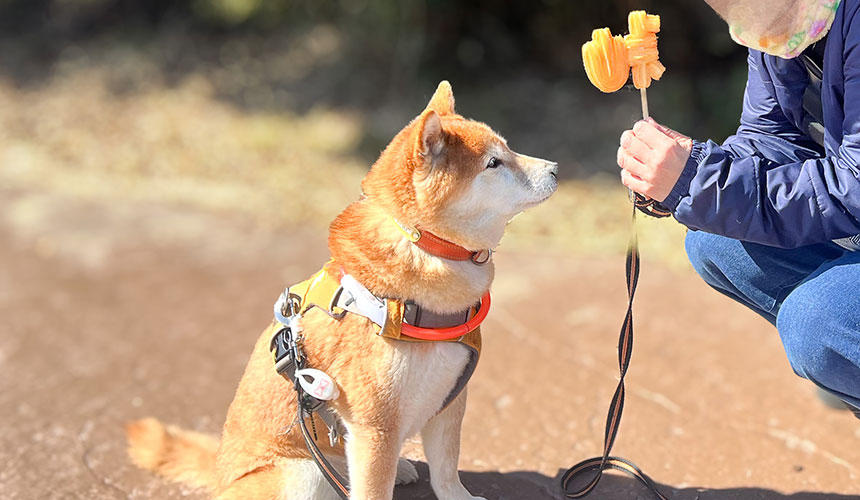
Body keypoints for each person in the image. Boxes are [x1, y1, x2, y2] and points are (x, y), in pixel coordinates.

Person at [616, 0, 860, 417]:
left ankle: (837, 340)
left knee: (817, 322)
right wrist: (688, 169)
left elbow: (854, 186)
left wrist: (700, 184)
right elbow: (769, 137)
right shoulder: (780, 20)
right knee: (715, 238)